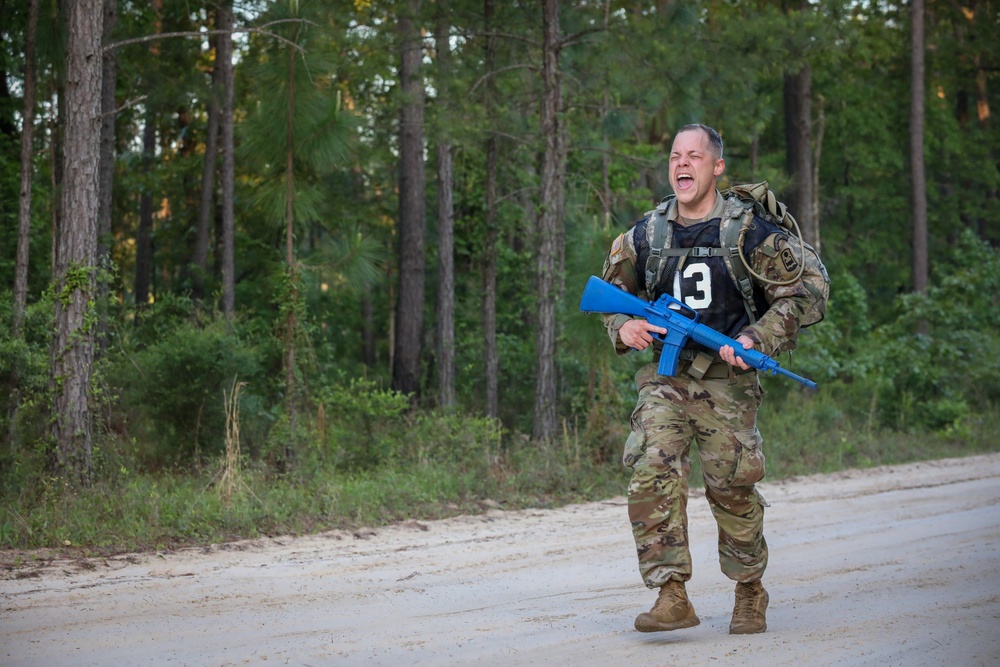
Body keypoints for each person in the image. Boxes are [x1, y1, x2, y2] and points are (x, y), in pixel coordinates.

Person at [598, 123, 827, 635]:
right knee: (651, 467)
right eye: (676, 156)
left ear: (716, 167)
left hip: (729, 381)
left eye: (694, 156)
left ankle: (750, 589)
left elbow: (808, 291)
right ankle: (671, 592)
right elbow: (612, 294)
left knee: (731, 488)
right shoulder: (646, 235)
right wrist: (625, 325)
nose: (682, 164)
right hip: (666, 377)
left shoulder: (749, 232)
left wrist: (756, 339)